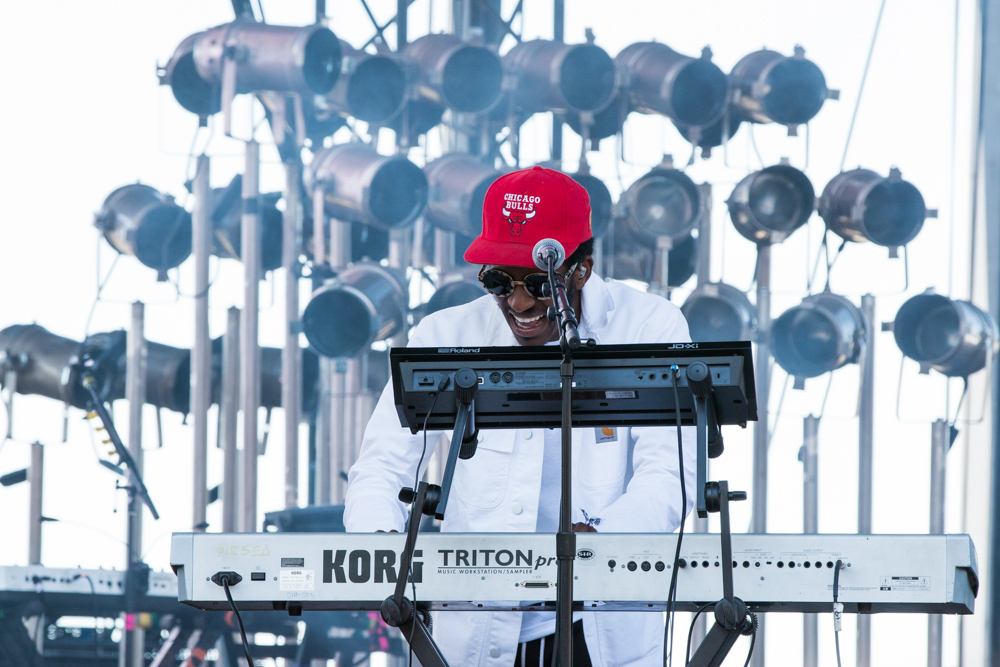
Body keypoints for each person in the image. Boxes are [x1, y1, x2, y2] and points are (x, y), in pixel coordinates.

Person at [344, 166, 696, 667]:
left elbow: (670, 473)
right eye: (497, 280)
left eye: (535, 280)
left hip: (602, 626)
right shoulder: (445, 333)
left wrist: (601, 539)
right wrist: (381, 554)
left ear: (581, 268)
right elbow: (381, 467)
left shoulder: (649, 325)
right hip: (476, 628)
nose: (518, 301)